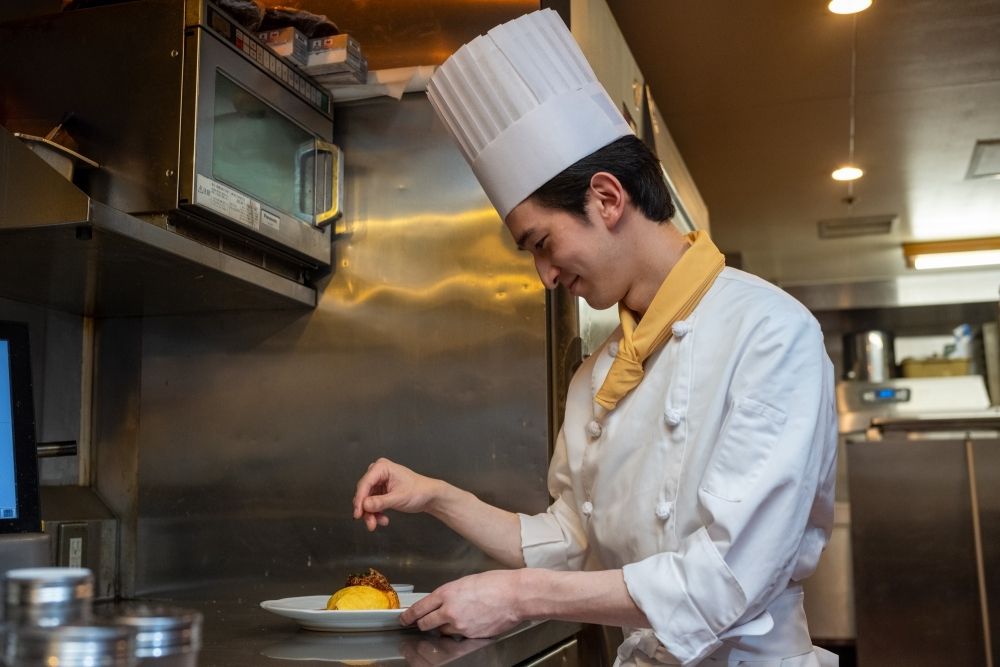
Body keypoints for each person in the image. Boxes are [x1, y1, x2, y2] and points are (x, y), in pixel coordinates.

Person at [353, 9, 839, 667]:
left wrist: (522, 596)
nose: (545, 274)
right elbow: (567, 538)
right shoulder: (599, 374)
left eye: (542, 244)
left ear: (607, 199)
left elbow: (729, 578)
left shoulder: (770, 334)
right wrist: (437, 495)